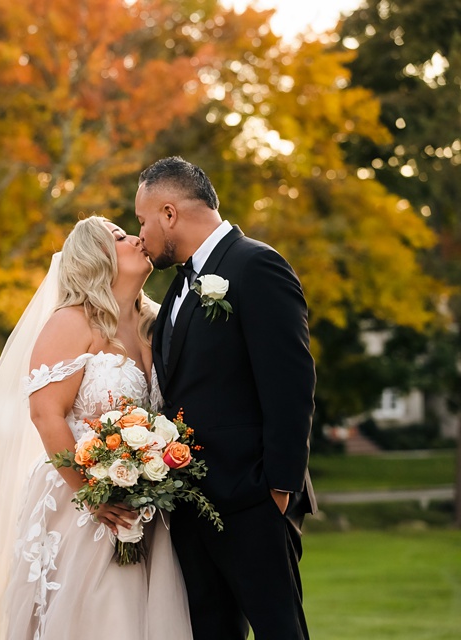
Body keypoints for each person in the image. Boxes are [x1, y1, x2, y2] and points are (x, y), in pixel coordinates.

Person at [0, 215, 192, 640]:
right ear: (95, 257)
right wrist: (91, 492)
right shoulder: (71, 322)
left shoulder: (155, 325)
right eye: (119, 237)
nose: (136, 238)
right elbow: (46, 414)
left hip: (148, 507)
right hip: (82, 505)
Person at [135, 156, 317, 640]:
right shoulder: (178, 287)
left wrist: (278, 489)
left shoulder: (256, 265)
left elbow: (291, 385)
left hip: (253, 499)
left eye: (143, 220)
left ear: (169, 214)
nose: (141, 234)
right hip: (192, 504)